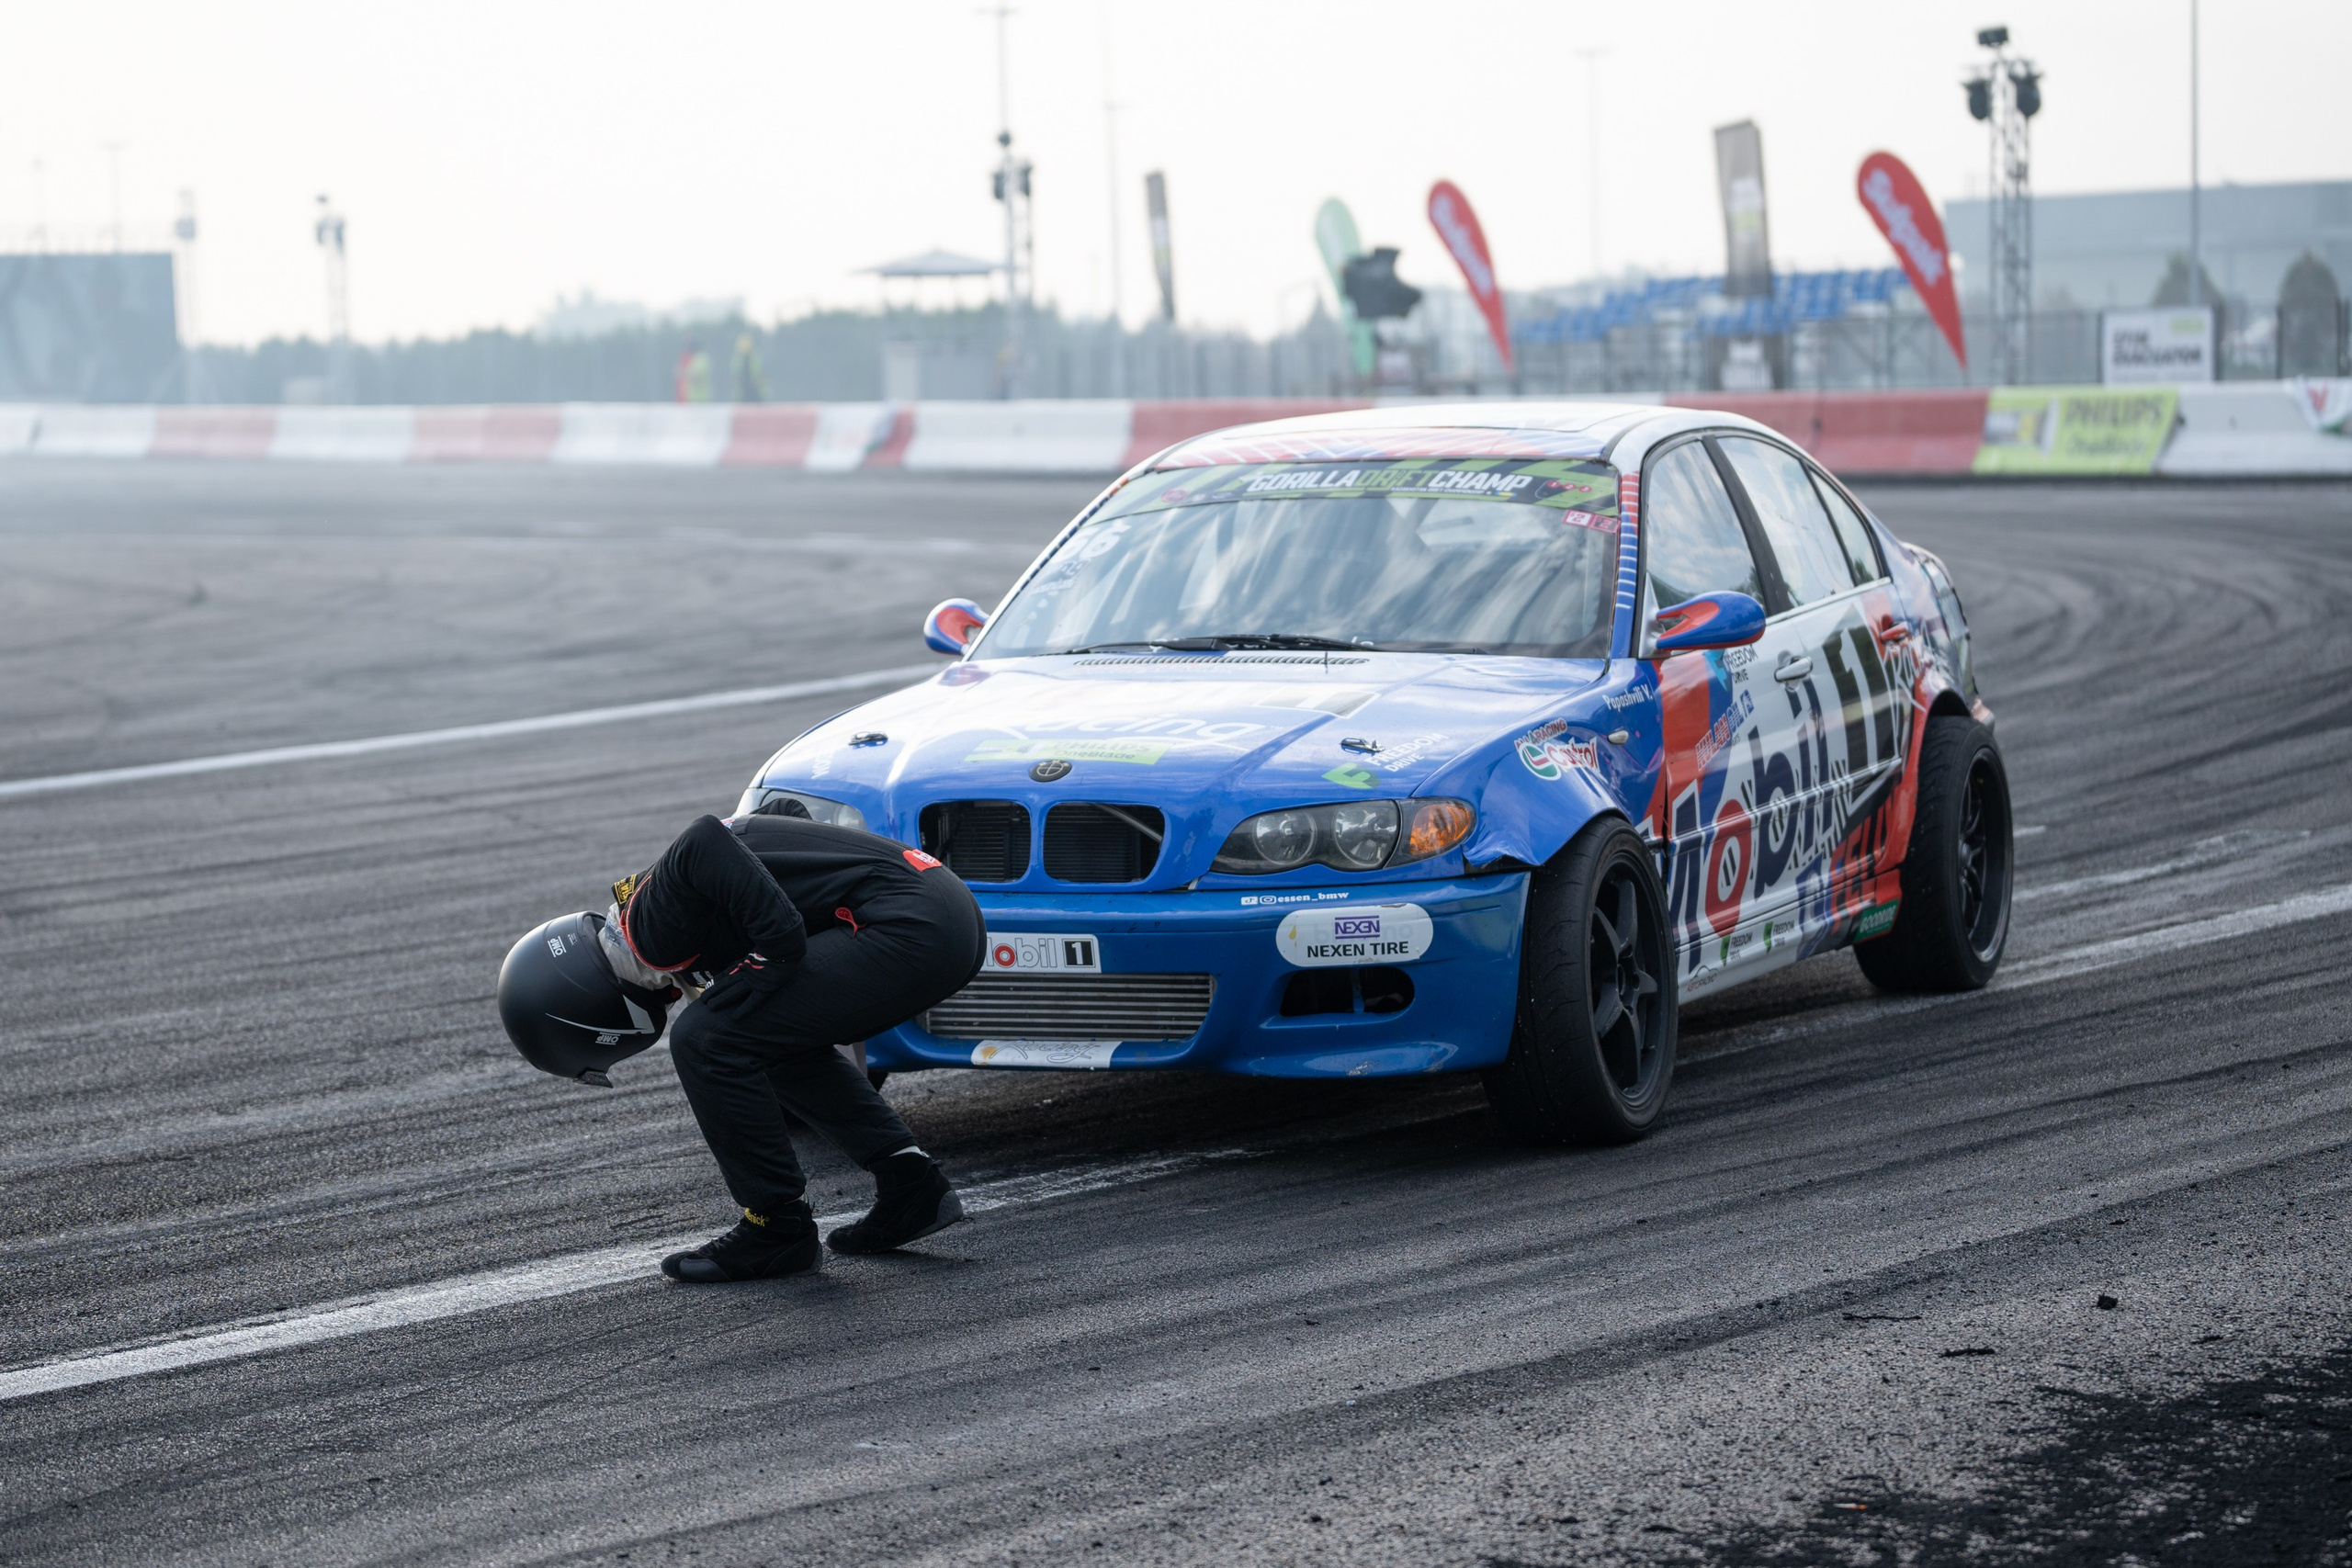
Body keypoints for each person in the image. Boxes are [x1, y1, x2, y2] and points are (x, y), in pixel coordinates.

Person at [497, 801, 985, 1282]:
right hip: (942, 916)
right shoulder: (652, 916)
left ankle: (776, 1228)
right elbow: (786, 813)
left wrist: (777, 948)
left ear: (588, 1009)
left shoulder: (646, 930)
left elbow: (702, 837)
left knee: (705, 1039)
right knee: (758, 1036)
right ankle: (911, 1186)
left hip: (907, 925)